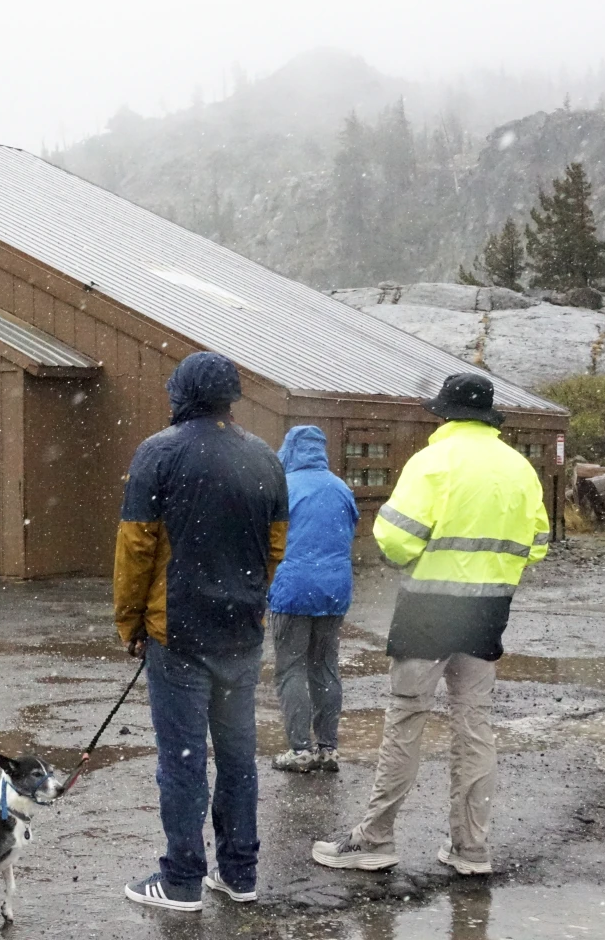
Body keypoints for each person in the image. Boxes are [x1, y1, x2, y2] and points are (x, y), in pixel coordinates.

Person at [313, 373, 550, 878]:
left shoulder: (432, 462)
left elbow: (395, 539)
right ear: (490, 417)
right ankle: (471, 848)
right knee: (474, 728)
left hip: (428, 611)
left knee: (406, 721)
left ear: (443, 414)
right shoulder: (519, 469)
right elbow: (538, 543)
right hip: (488, 613)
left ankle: (375, 838)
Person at [115, 351, 288, 912]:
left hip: (179, 635)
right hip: (241, 633)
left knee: (184, 760)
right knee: (238, 757)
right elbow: (276, 546)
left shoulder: (158, 453)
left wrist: (131, 622)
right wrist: (248, 599)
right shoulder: (265, 458)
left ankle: (183, 879)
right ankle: (240, 874)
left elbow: (136, 547)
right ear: (230, 397)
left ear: (181, 394)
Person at [267, 425, 360, 773]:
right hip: (334, 589)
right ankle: (327, 748)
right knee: (324, 666)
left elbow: (269, 537)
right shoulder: (340, 488)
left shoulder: (283, 487)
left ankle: (300, 750)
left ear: (290, 449)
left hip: (292, 588)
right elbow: (348, 531)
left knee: (291, 667)